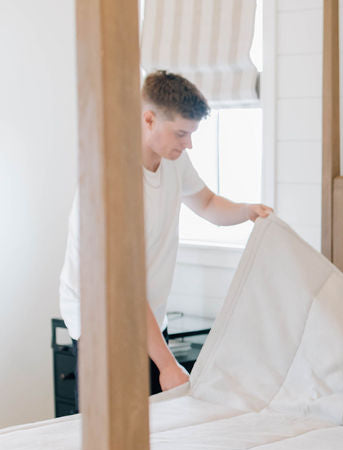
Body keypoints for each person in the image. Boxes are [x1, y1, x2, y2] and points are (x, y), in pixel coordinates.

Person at [59, 70, 272, 395]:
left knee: (156, 430)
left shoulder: (173, 160)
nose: (189, 144)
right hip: (105, 324)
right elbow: (124, 288)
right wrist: (167, 364)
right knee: (118, 435)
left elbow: (208, 203)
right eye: (181, 134)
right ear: (148, 120)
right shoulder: (111, 180)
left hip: (149, 319)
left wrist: (246, 212)